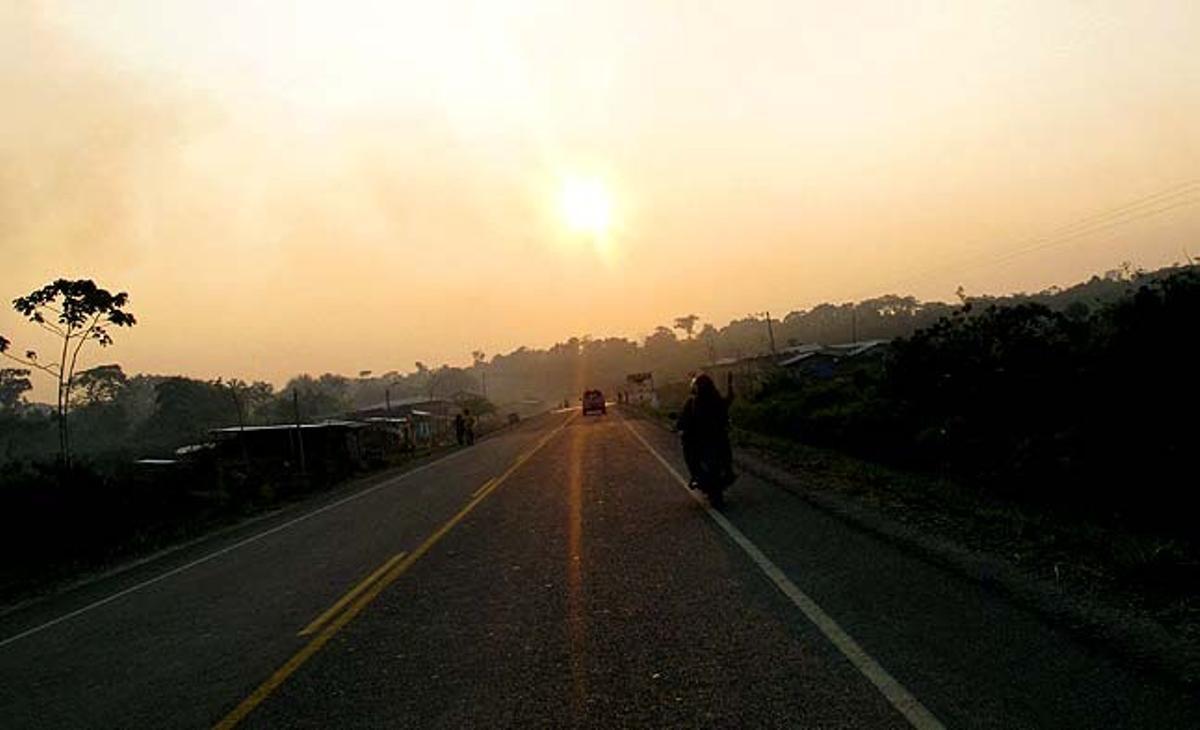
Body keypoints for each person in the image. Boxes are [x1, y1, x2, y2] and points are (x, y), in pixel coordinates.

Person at [675, 372, 735, 493]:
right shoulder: (715, 399)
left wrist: (680, 427)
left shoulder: (692, 403)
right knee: (725, 450)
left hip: (701, 440)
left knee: (689, 451)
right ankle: (727, 471)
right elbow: (727, 403)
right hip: (714, 438)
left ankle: (696, 476)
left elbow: (682, 421)